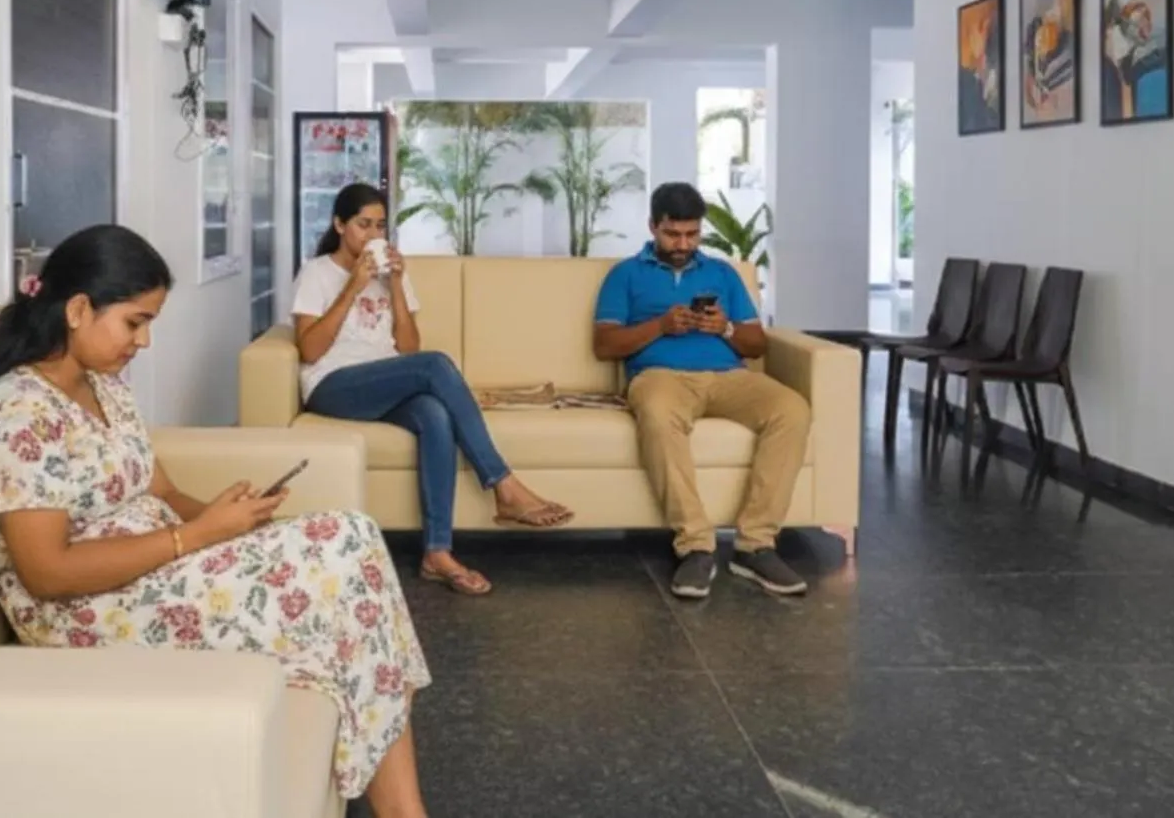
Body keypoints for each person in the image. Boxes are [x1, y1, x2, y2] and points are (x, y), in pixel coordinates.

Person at [0, 225, 432, 816]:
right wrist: (198, 537)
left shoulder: (102, 387)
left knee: (351, 535)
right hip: (87, 612)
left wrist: (231, 520)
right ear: (77, 309)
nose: (144, 342)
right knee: (343, 554)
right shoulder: (15, 414)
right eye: (134, 322)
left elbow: (163, 489)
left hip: (157, 570)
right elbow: (47, 572)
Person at [293, 183, 573, 597]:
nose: (372, 235)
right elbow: (311, 350)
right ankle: (503, 484)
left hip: (384, 381)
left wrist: (396, 287)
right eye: (362, 225)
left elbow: (407, 349)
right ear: (339, 225)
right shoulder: (316, 273)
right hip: (334, 385)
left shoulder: (393, 276)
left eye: (380, 226)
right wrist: (354, 285)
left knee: (434, 414)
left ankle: (437, 553)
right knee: (437, 365)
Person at [592, 182, 811, 599]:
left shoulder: (722, 273)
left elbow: (757, 344)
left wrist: (725, 327)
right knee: (657, 415)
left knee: (792, 409)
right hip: (660, 377)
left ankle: (755, 544)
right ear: (653, 226)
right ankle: (695, 545)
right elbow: (604, 346)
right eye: (673, 234)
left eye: (692, 234)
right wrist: (660, 326)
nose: (682, 244)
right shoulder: (624, 275)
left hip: (729, 376)